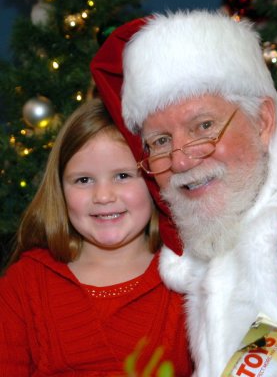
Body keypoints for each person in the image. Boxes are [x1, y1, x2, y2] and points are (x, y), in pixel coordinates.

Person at [90, 10, 277, 377]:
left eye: (204, 126)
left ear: (263, 121)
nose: (182, 160)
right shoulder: (181, 246)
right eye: (161, 141)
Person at [0, 99, 193, 377]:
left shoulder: (189, 282)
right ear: (61, 190)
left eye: (123, 175)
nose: (103, 196)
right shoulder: (24, 284)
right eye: (83, 180)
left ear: (153, 181)